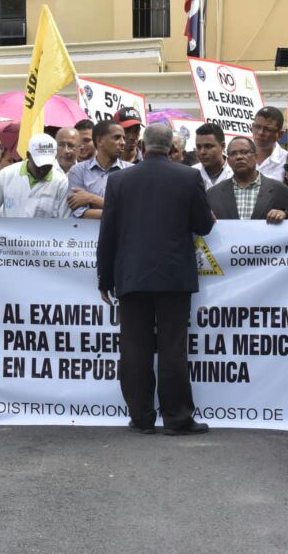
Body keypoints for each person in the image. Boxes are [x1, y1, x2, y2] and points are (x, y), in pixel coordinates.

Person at [97, 123, 215, 435]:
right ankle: (177, 418)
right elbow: (203, 225)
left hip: (131, 274)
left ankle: (141, 417)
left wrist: (104, 277)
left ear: (142, 146)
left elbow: (108, 232)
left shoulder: (119, 180)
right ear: (172, 147)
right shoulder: (189, 177)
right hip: (174, 275)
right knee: (173, 348)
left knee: (134, 348)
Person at [0, 133, 72, 219]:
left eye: (47, 165)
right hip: (9, 233)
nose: (42, 169)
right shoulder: (7, 174)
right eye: (38, 165)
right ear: (28, 155)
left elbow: (65, 222)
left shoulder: (61, 183)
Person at [207, 137, 288, 222]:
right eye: (233, 153)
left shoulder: (281, 191)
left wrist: (285, 215)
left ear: (255, 157)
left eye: (244, 152)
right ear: (228, 161)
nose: (239, 157)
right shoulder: (213, 194)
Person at [66, 120, 130, 220]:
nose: (123, 143)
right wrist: (118, 212)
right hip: (87, 230)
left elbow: (132, 209)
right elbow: (79, 212)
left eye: (124, 138)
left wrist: (92, 199)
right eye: (117, 137)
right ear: (99, 141)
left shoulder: (132, 171)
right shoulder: (78, 171)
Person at [251, 106, 288, 181]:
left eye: (268, 129)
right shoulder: (238, 155)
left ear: (280, 134)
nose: (260, 132)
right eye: (257, 127)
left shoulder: (287, 161)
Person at [193, 122, 233, 189]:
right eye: (198, 147)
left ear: (222, 146)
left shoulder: (236, 172)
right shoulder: (191, 173)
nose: (202, 152)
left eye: (208, 146)